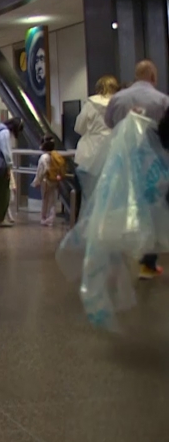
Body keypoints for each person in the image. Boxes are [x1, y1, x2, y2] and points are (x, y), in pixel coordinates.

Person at [104, 60, 169, 279]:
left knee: (126, 207)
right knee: (155, 209)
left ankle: (127, 252)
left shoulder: (118, 98)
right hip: (156, 165)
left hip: (124, 162)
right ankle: (147, 262)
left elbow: (109, 123)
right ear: (152, 76)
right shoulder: (162, 100)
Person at [73, 75, 119, 218]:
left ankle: (82, 223)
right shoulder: (118, 104)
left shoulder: (90, 104)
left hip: (88, 154)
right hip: (112, 151)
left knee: (86, 192)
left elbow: (78, 127)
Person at [0, 117, 23, 228]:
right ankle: (0, 219)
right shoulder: (5, 133)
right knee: (3, 192)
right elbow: (6, 151)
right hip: (1, 164)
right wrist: (9, 166)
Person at [32, 136, 63, 227]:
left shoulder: (43, 157)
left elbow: (41, 171)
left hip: (46, 181)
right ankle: (52, 218)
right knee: (53, 200)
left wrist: (37, 181)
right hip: (55, 180)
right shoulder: (56, 155)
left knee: (45, 199)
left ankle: (44, 218)